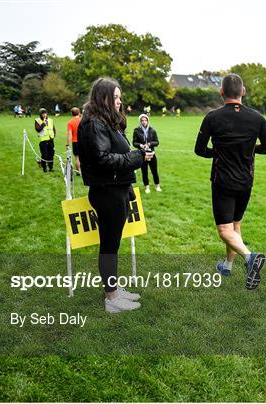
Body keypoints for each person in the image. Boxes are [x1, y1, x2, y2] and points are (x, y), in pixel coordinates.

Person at [78, 77, 153, 313]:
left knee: (113, 244)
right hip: (106, 193)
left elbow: (115, 154)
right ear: (103, 98)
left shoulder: (107, 122)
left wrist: (128, 182)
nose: (120, 101)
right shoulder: (94, 124)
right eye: (116, 97)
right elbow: (103, 160)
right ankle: (111, 298)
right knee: (109, 246)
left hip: (116, 190)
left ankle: (115, 290)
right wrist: (137, 158)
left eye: (120, 97)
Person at [195, 73, 266, 289]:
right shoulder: (257, 118)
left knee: (224, 230)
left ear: (221, 92)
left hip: (223, 181)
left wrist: (219, 152)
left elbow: (199, 150)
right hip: (246, 181)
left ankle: (250, 258)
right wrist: (248, 149)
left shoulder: (212, 117)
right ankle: (227, 266)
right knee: (235, 225)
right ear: (243, 92)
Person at [133, 113, 161, 193]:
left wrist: (149, 144)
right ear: (140, 121)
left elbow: (157, 142)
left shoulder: (152, 130)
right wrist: (141, 145)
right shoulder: (136, 130)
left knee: (154, 171)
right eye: (142, 120)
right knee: (144, 171)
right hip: (142, 154)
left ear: (148, 121)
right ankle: (147, 187)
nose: (144, 122)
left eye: (145, 120)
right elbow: (134, 142)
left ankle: (157, 186)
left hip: (151, 153)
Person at [34, 108, 57, 173]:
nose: (44, 115)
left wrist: (54, 135)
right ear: (40, 114)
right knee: (44, 155)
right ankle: (44, 168)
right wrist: (43, 124)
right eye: (43, 113)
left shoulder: (50, 120)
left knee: (51, 154)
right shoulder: (37, 120)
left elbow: (53, 128)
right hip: (43, 141)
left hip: (51, 139)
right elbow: (38, 129)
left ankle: (51, 168)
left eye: (45, 113)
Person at [66, 107, 82, 175]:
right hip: (83, 141)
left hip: (75, 142)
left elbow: (69, 134)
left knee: (77, 158)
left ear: (71, 114)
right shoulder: (82, 120)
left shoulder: (70, 122)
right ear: (79, 113)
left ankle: (78, 172)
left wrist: (68, 144)